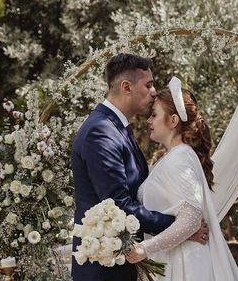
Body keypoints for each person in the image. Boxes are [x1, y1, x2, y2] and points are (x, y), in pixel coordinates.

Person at [70, 54, 207, 281]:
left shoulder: (117, 128)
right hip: (105, 270)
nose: (154, 91)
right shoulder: (101, 132)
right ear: (126, 87)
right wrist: (181, 228)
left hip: (123, 262)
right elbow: (119, 204)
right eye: (148, 84)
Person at [126, 77, 238, 281]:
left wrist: (144, 249)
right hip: (174, 258)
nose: (149, 121)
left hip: (185, 265)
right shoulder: (172, 157)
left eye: (154, 115)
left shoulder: (180, 158)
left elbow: (191, 220)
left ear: (173, 120)